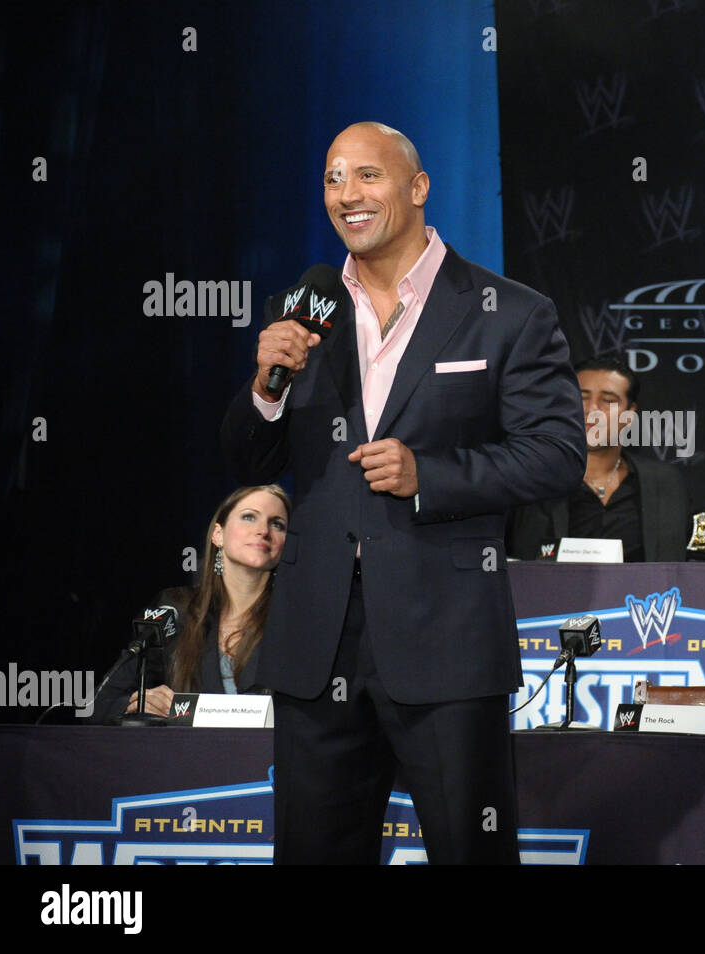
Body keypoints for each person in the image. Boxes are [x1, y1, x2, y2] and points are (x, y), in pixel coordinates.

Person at [220, 121, 584, 864]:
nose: (345, 195)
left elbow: (555, 456)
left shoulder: (508, 311)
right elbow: (247, 458)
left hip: (445, 644)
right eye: (331, 178)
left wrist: (432, 476)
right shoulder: (307, 313)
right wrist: (263, 386)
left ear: (417, 188)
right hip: (316, 645)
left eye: (367, 176)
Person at [90, 485, 290, 724]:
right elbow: (99, 705)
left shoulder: (296, 618)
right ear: (218, 534)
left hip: (270, 758)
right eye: (249, 517)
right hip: (187, 757)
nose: (263, 530)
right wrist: (141, 704)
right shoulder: (175, 609)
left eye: (277, 524)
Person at [506, 354, 691, 561]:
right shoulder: (530, 477)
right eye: (581, 397)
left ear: (629, 415)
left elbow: (675, 569)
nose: (592, 410)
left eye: (608, 401)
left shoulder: (663, 483)